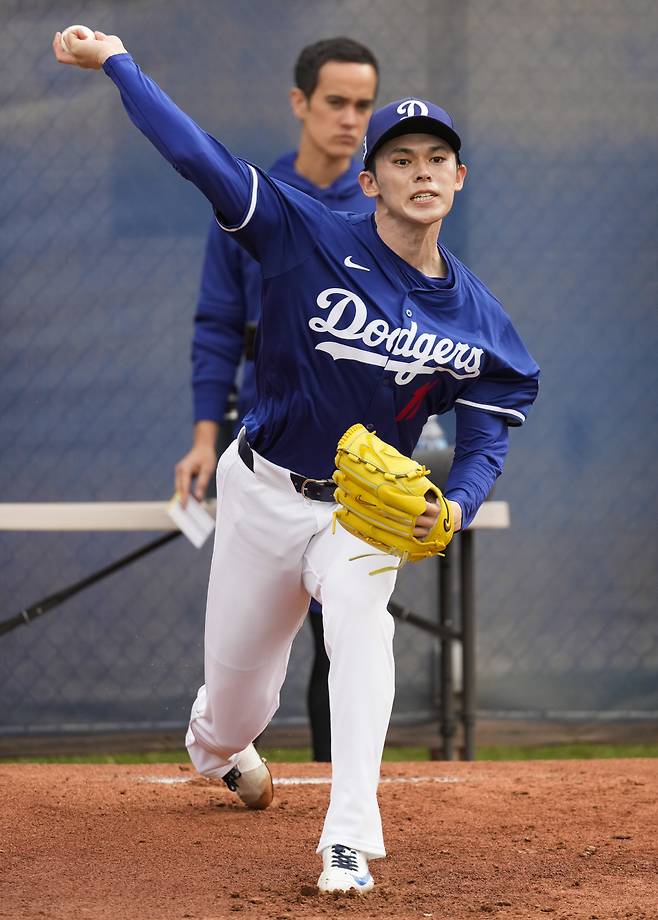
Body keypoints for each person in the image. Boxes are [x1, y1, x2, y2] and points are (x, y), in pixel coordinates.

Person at [53, 28, 540, 896]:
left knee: (365, 625)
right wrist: (122, 61)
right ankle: (218, 745)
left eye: (438, 159)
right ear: (369, 179)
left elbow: (488, 427)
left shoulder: (480, 322)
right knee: (241, 709)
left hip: (358, 514)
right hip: (262, 494)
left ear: (459, 180)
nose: (422, 171)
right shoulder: (303, 232)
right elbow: (198, 157)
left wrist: (460, 500)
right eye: (401, 159)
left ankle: (348, 837)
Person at [174, 38, 380, 763]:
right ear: (300, 103)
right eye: (336, 102)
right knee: (253, 634)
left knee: (346, 621)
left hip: (357, 452)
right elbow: (218, 325)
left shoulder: (382, 204)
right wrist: (205, 436)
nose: (352, 119)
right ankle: (228, 738)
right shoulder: (253, 201)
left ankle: (336, 786)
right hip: (262, 443)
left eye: (364, 105)